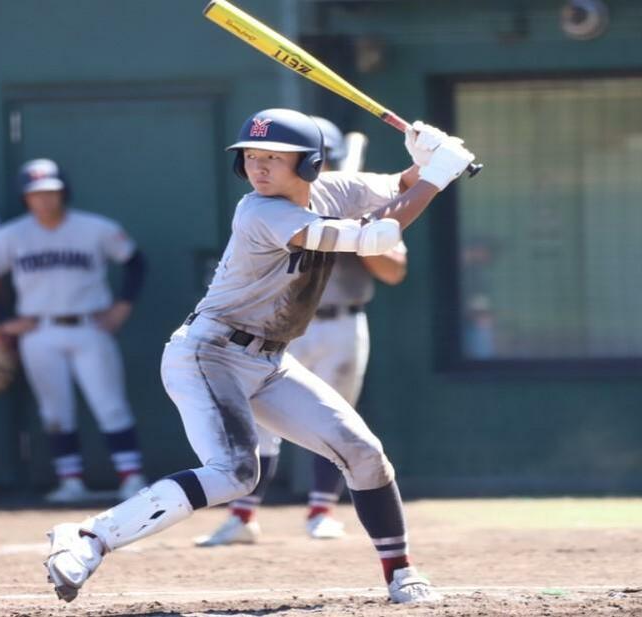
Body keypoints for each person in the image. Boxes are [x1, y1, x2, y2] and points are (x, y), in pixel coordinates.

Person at [43, 109, 474, 604]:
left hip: (269, 360)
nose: (259, 167)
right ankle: (88, 538)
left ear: (310, 164)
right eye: (251, 156)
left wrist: (429, 159)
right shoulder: (261, 212)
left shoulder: (333, 189)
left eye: (273, 157)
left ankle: (400, 573)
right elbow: (375, 237)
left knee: (365, 455)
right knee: (234, 472)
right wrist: (438, 179)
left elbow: (399, 184)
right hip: (210, 353)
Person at [194, 116, 408, 546]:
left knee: (336, 418)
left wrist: (361, 233)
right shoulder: (271, 209)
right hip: (281, 328)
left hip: (342, 320)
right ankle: (243, 516)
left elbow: (395, 270)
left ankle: (321, 511)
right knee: (262, 423)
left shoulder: (352, 200)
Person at [0, 159, 148, 503]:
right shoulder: (12, 234)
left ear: (62, 192)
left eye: (51, 192)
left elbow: (135, 262)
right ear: (26, 197)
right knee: (54, 410)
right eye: (36, 194)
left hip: (89, 325)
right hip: (39, 330)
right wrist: (3, 320)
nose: (45, 200)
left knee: (110, 404)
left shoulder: (94, 228)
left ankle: (132, 477)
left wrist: (122, 307)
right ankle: (70, 480)